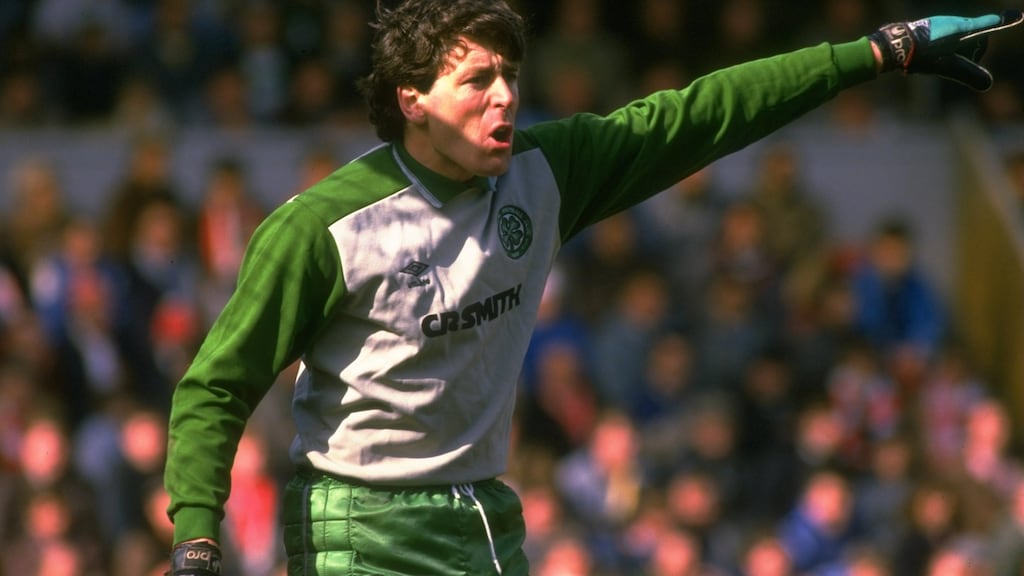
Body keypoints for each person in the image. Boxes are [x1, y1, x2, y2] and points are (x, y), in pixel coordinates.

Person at [163, 2, 1024, 575]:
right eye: (477, 80)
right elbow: (217, 386)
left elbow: (705, 111)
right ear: (413, 99)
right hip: (358, 526)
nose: (506, 96)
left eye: (510, 76)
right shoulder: (322, 227)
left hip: (487, 513)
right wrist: (198, 535)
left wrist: (877, 52)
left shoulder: (547, 172)